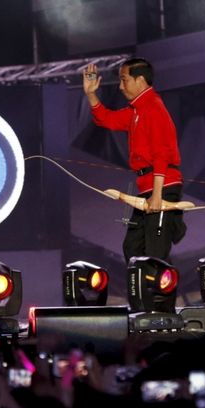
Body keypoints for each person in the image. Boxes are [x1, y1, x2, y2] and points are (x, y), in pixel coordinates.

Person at [83, 58, 186, 263]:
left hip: (163, 187)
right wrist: (90, 93)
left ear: (140, 80)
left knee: (155, 253)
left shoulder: (153, 107)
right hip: (147, 189)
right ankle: (174, 225)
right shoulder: (136, 111)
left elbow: (161, 153)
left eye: (124, 80)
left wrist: (157, 195)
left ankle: (159, 291)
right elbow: (106, 118)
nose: (121, 87)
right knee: (132, 247)